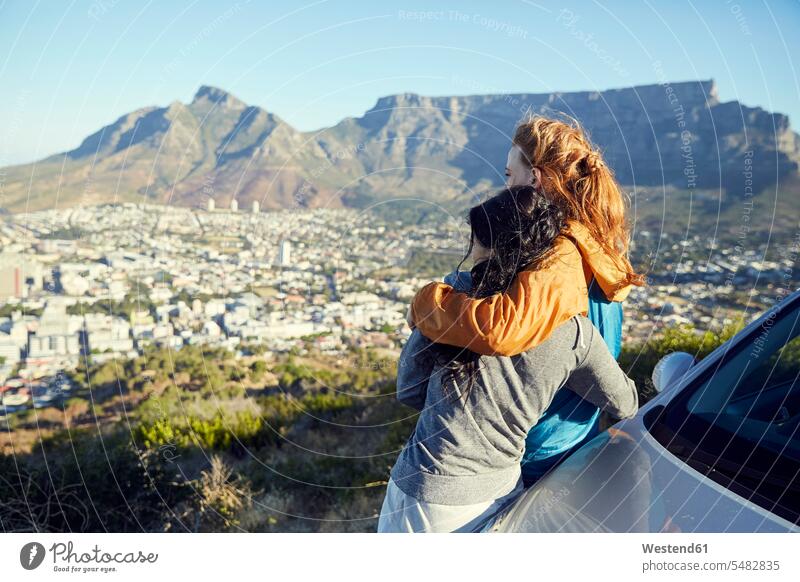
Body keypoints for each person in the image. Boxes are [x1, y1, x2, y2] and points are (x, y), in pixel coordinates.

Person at [378, 186, 639, 533]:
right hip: (489, 495)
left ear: (489, 247)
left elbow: (409, 390)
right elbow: (625, 402)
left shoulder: (449, 302)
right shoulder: (576, 333)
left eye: (476, 241)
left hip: (412, 481)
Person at [409, 115, 645, 485]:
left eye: (507, 175)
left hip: (537, 447)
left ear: (534, 179)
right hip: (570, 437)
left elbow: (502, 329)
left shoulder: (556, 254)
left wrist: (430, 302)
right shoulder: (596, 250)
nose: (504, 185)